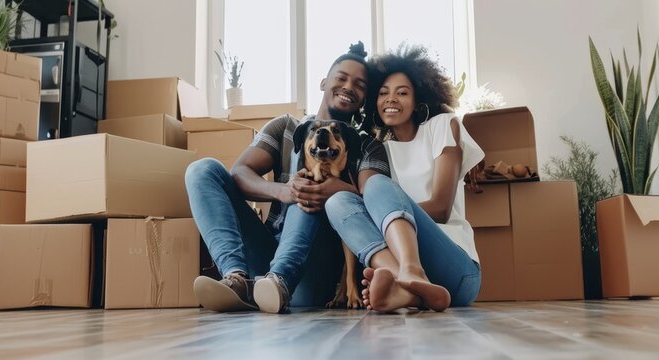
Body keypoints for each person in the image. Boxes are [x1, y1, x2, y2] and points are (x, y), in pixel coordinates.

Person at [186, 42, 390, 314]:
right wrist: (283, 190)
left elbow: (375, 199)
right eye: (341, 78)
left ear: (364, 98)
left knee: (312, 183)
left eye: (360, 84)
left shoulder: (368, 146)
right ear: (323, 82)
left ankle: (281, 280)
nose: (349, 87)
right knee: (202, 171)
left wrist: (332, 188)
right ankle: (236, 280)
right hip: (267, 251)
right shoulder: (286, 126)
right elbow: (240, 173)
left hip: (315, 270)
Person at [324, 45, 484, 312]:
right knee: (337, 202)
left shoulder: (443, 126)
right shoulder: (379, 150)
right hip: (425, 282)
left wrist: (384, 215)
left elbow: (442, 208)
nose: (391, 99)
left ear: (418, 98)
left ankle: (409, 271)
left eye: (402, 93)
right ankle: (407, 289)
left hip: (457, 270)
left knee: (376, 186)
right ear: (374, 101)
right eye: (383, 93)